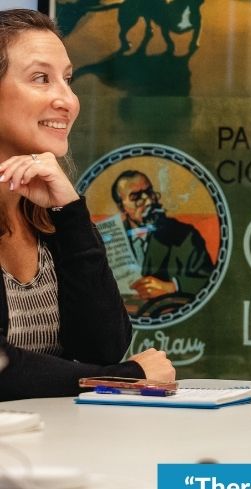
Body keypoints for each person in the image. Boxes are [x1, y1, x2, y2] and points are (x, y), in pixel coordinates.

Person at [0, 9, 173, 401]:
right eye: (41, 78)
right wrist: (122, 378)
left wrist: (71, 213)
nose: (68, 100)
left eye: (68, 79)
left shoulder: (46, 210)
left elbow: (103, 345)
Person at [111, 169, 215, 304]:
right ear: (121, 207)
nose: (148, 201)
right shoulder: (109, 239)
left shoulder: (184, 235)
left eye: (149, 192)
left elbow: (210, 280)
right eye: (136, 197)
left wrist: (172, 287)